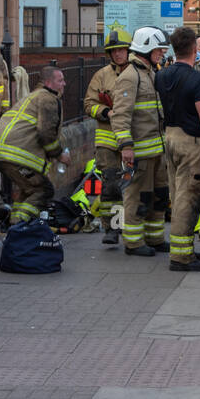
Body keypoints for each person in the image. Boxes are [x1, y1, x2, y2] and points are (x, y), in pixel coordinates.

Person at [155, 27, 200, 271]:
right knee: (189, 198)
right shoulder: (199, 81)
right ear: (195, 49)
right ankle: (181, 257)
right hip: (192, 143)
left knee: (177, 195)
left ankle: (184, 250)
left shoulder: (162, 76)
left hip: (171, 137)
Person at [110, 26, 170, 255]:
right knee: (137, 197)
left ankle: (154, 239)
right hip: (139, 152)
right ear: (146, 48)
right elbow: (121, 114)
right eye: (159, 49)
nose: (162, 53)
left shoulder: (149, 73)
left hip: (156, 152)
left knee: (159, 196)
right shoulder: (130, 76)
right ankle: (133, 242)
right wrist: (125, 146)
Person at [0, 65, 69, 224]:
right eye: (60, 80)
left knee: (29, 189)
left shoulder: (33, 96)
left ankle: (14, 223)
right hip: (14, 155)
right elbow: (46, 133)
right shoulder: (48, 99)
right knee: (43, 190)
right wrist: (60, 155)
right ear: (48, 82)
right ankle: (19, 226)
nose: (64, 84)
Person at [84, 28, 132, 243]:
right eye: (114, 51)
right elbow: (88, 104)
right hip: (108, 140)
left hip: (134, 139)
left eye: (121, 50)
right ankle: (112, 229)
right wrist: (106, 112)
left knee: (134, 185)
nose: (118, 54)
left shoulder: (139, 73)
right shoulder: (101, 75)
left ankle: (135, 228)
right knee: (111, 184)